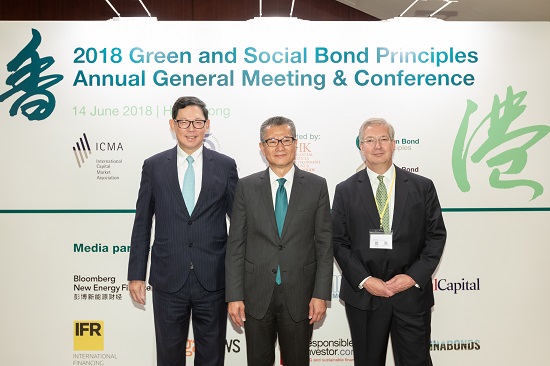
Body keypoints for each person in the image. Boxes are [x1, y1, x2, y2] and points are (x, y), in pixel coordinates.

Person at [127, 96, 238, 366]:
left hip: (213, 279)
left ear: (207, 125)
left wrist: (239, 281)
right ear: (172, 125)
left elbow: (239, 227)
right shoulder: (153, 166)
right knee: (168, 357)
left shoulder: (225, 166)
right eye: (184, 122)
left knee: (212, 358)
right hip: (168, 279)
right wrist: (136, 275)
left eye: (198, 122)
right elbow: (142, 222)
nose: (191, 128)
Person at [332, 118, 447, 366]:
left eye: (384, 139)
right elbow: (338, 242)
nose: (377, 146)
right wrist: (365, 280)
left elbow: (436, 236)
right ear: (361, 147)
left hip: (410, 295)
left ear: (394, 144)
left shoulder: (422, 186)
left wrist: (413, 277)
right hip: (365, 296)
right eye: (370, 140)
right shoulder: (345, 190)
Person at [225, 116, 333, 366]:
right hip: (255, 295)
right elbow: (236, 245)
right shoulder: (246, 187)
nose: (280, 146)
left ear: (296, 144)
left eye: (286, 140)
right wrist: (234, 295)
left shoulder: (316, 186)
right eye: (272, 141)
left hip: (301, 295)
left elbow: (325, 245)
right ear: (262, 148)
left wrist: (320, 294)